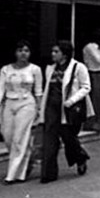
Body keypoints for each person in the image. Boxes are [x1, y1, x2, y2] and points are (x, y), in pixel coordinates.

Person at [39, 40, 93, 183]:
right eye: (52, 51)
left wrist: (72, 100)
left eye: (56, 52)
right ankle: (48, 174)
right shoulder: (50, 68)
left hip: (68, 108)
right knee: (49, 139)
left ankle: (80, 157)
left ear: (64, 54)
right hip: (51, 107)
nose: (53, 54)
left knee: (69, 138)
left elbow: (86, 87)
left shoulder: (78, 67)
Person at [0, 40, 43, 184]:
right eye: (20, 50)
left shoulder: (35, 69)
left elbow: (38, 91)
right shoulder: (6, 69)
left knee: (19, 138)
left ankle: (12, 174)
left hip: (27, 104)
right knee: (7, 135)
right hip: (9, 103)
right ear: (15, 52)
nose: (23, 53)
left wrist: (39, 109)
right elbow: (1, 88)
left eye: (26, 50)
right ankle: (25, 163)